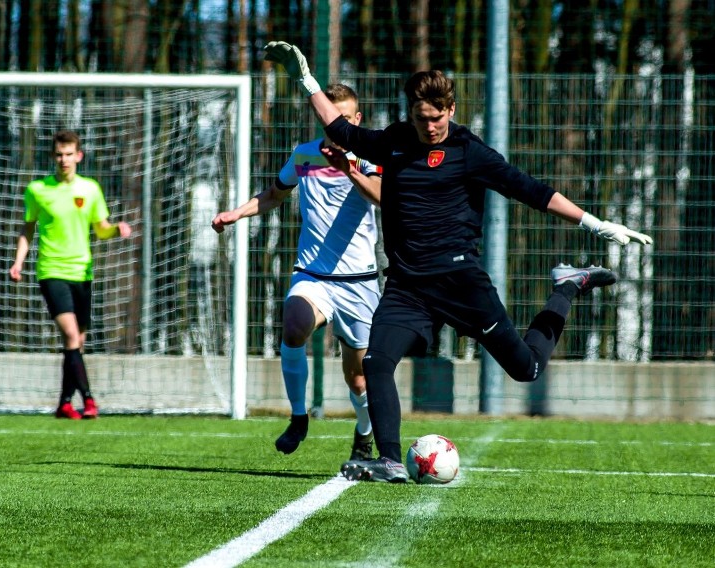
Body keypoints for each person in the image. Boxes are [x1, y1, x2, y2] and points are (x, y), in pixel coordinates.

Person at [264, 41, 653, 482]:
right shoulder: (394, 142)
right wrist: (308, 81)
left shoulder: (470, 151)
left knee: (527, 369)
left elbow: (531, 190)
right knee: (376, 362)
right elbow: (345, 132)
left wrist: (595, 223)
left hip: (460, 283)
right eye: (420, 118)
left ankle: (566, 286)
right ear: (409, 112)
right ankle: (390, 459)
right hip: (408, 287)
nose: (429, 126)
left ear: (450, 108)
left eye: (436, 117)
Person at [212, 84, 384, 461]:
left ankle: (364, 435)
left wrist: (349, 169)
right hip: (313, 276)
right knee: (293, 325)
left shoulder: (370, 156)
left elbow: (381, 195)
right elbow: (275, 194)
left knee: (358, 378)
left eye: (342, 119)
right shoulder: (304, 155)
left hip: (360, 283)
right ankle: (298, 417)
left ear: (355, 121)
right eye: (328, 118)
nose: (334, 125)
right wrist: (236, 214)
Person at [10, 130, 132, 420]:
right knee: (71, 334)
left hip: (82, 272)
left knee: (76, 342)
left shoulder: (90, 189)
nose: (64, 160)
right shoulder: (38, 190)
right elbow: (27, 229)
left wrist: (116, 229)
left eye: (69, 154)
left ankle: (65, 403)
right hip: (51, 270)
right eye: (59, 154)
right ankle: (89, 401)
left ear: (79, 156)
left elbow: (101, 229)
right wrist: (18, 262)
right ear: (54, 157)